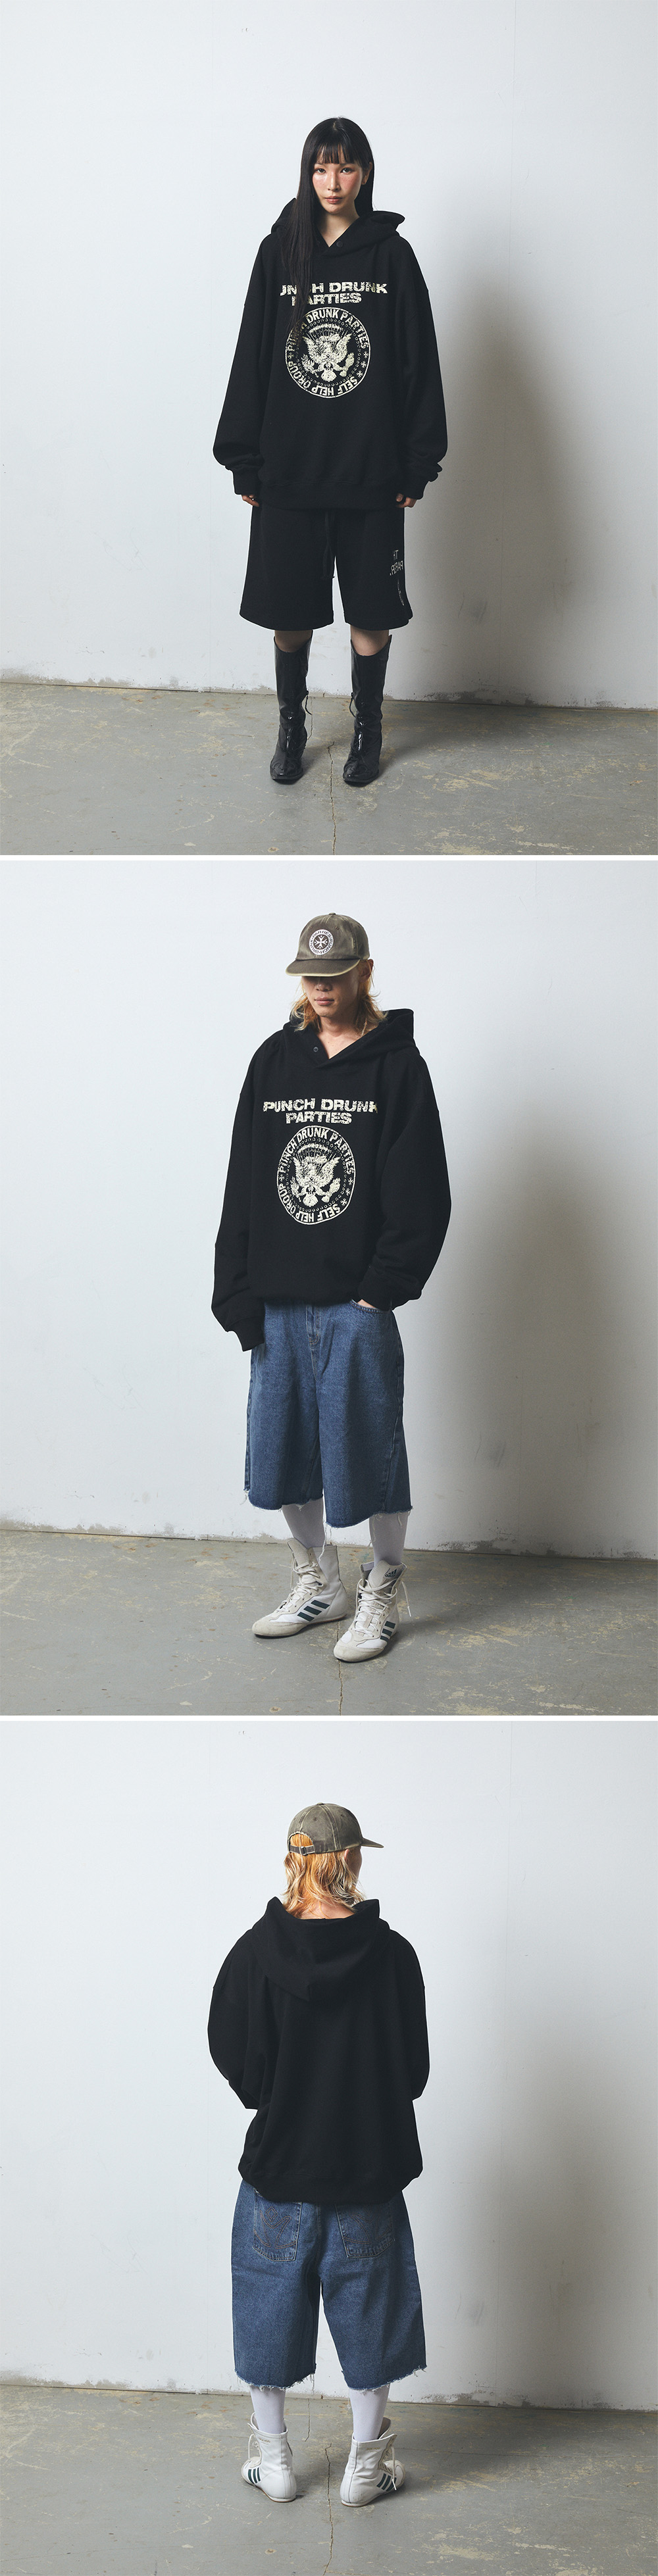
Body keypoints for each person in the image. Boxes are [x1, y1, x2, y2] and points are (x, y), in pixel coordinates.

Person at [211, 910, 451, 1662]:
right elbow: (245, 1177)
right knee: (281, 1451)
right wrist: (236, 1288)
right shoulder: (273, 1061)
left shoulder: (396, 1067)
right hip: (278, 1298)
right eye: (310, 975)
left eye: (335, 974)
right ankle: (319, 1581)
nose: (321, 987)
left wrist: (381, 1288)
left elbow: (422, 1187)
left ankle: (382, 1585)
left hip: (355, 1302)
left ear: (364, 973)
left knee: (372, 1451)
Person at [213, 114, 447, 789]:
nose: (332, 181)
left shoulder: (392, 257)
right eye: (321, 168)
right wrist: (244, 457)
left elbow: (418, 362)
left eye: (345, 167)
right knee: (289, 619)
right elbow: (254, 355)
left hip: (372, 473)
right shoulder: (278, 252)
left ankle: (368, 731)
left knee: (371, 618)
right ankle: (292, 728)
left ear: (364, 174)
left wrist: (418, 462)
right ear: (307, 173)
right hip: (288, 471)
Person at [207, 1801, 430, 2508]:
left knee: (267, 2307)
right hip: (367, 2171)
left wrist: (275, 2095)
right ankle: (365, 2469)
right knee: (373, 2314)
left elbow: (230, 2052)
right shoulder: (392, 1955)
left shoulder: (253, 1951)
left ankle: (274, 2461)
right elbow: (414, 2071)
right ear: (351, 1859)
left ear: (293, 1858)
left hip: (279, 2169)